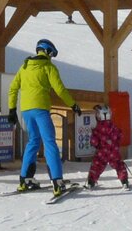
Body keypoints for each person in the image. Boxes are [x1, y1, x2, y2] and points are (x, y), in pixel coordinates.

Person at [7, 38, 80, 197]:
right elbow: (60, 89)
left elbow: (13, 88)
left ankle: (24, 180)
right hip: (40, 109)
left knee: (33, 141)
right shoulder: (48, 67)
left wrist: (12, 110)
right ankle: (57, 182)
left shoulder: (24, 67)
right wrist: (73, 105)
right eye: (51, 54)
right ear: (47, 51)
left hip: (26, 110)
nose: (51, 57)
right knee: (49, 142)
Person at [86, 104, 130, 190]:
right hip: (113, 152)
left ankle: (91, 182)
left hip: (101, 153)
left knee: (96, 166)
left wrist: (94, 143)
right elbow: (119, 135)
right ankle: (124, 181)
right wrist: (115, 143)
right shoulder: (113, 127)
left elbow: (94, 141)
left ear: (99, 116)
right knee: (119, 165)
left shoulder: (97, 129)